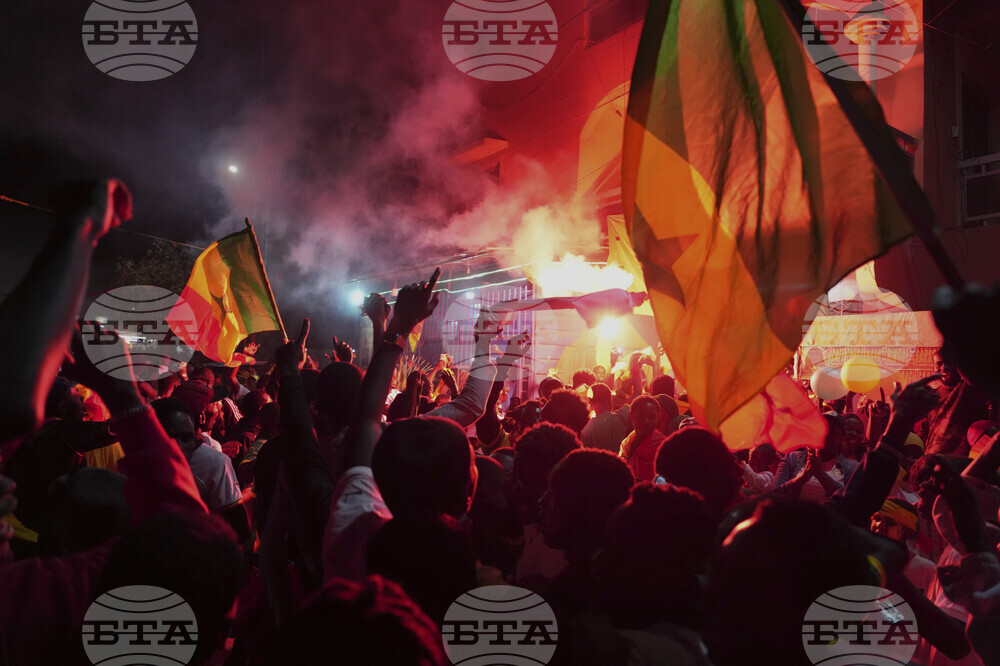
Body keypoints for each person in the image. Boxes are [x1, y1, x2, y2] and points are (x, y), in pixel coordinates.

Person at [618, 395, 665, 482]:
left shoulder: (664, 447)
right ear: (631, 417)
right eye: (640, 417)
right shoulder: (626, 444)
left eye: (651, 417)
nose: (646, 421)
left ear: (658, 417)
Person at [580, 383, 630, 453]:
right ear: (608, 401)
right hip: (617, 459)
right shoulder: (620, 417)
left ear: (591, 403)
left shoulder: (587, 429)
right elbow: (634, 398)